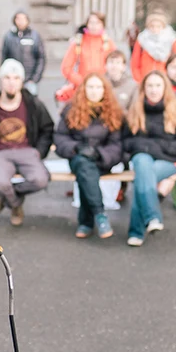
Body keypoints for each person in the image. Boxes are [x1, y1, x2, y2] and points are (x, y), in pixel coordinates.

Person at [0, 59, 55, 227]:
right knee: (0, 183)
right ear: (0, 80)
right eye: (7, 77)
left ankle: (8, 198)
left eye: (16, 78)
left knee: (40, 180)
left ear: (22, 81)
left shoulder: (33, 105)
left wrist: (39, 152)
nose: (11, 83)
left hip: (27, 151)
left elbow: (47, 129)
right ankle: (15, 205)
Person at [122, 71, 176, 246]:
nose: (154, 90)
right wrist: (138, 149)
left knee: (144, 176)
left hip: (169, 160)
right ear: (143, 88)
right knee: (142, 163)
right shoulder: (136, 109)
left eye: (157, 85)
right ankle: (152, 217)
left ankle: (137, 231)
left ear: (165, 88)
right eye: (150, 86)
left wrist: (164, 148)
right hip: (143, 158)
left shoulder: (175, 109)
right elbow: (124, 140)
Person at [53, 73, 125, 239]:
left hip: (103, 160)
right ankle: (99, 214)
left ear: (104, 90)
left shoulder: (113, 112)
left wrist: (100, 154)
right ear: (83, 89)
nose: (94, 91)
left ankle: (86, 222)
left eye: (98, 87)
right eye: (90, 87)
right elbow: (60, 137)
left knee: (86, 172)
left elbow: (118, 144)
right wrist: (77, 147)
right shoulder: (71, 109)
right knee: (84, 166)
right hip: (78, 156)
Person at [60, 12, 115, 98]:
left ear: (103, 25)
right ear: (87, 24)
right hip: (82, 89)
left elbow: (114, 66)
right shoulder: (78, 42)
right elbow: (66, 68)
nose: (94, 26)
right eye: (91, 23)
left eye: (97, 23)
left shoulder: (108, 43)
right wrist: (81, 81)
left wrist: (104, 82)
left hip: (102, 89)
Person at [0, 10, 46, 95]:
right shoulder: (9, 36)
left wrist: (35, 78)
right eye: (18, 19)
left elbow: (41, 58)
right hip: (13, 79)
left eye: (23, 19)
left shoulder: (34, 36)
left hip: (30, 79)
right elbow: (4, 57)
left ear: (27, 20)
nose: (20, 21)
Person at [130, 11, 176, 84]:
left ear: (163, 27)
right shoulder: (141, 40)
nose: (155, 29)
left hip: (165, 80)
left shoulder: (172, 40)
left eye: (158, 26)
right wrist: (139, 80)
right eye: (152, 26)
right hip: (145, 80)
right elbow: (135, 62)